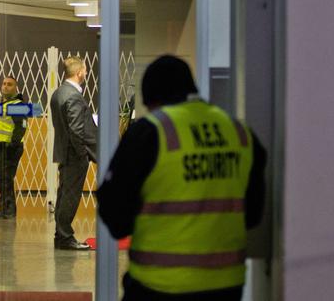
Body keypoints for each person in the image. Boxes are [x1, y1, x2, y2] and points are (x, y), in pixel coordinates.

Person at [97, 55, 266, 300]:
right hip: (226, 286)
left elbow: (116, 216)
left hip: (159, 285)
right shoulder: (238, 132)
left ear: (151, 99)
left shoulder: (150, 132)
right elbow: (253, 214)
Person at [50, 57, 97, 250]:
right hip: (74, 154)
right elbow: (76, 129)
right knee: (70, 196)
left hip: (64, 151)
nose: (85, 73)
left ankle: (60, 235)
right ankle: (65, 236)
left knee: (64, 194)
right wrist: (81, 154)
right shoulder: (73, 96)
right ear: (79, 72)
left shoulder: (58, 93)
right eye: (85, 70)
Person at [0, 76, 27, 219]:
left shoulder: (17, 105)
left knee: (5, 179)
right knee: (3, 179)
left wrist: (11, 145)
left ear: (16, 88)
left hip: (7, 148)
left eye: (9, 84)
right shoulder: (4, 104)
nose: (5, 86)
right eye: (3, 84)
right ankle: (5, 208)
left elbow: (21, 127)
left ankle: (9, 211)